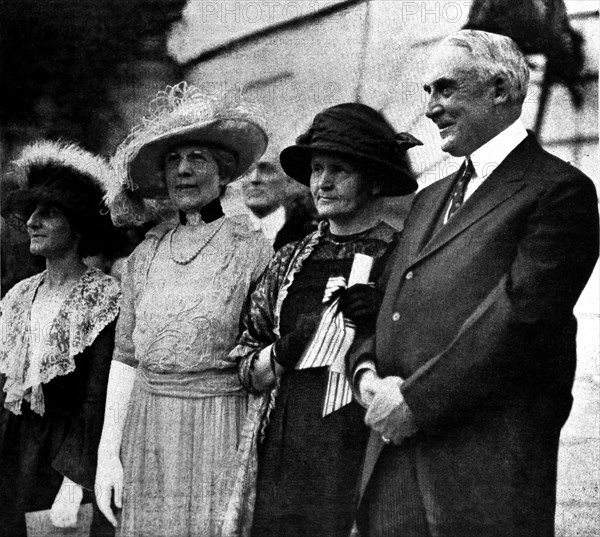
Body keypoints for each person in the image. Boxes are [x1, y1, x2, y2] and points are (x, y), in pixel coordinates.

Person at [352, 30, 599, 537]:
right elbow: (385, 301)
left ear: (501, 90)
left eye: (445, 89)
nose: (431, 108)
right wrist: (365, 371)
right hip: (394, 456)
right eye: (427, 93)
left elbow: (521, 318)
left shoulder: (559, 191)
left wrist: (417, 403)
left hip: (483, 463)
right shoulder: (429, 197)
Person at [229, 103, 421, 537]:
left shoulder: (405, 259)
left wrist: (387, 321)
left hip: (366, 447)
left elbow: (423, 361)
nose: (324, 182)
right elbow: (244, 366)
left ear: (374, 179)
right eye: (317, 169)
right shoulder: (289, 260)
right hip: (287, 450)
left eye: (340, 170)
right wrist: (284, 349)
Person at [95, 82, 272, 537]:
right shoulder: (145, 255)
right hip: (147, 427)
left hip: (221, 426)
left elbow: (265, 355)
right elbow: (124, 357)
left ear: (225, 171)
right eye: (173, 159)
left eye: (198, 158)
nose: (184, 170)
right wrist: (106, 454)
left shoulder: (252, 249)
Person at [0, 141, 120, 537]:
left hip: (64, 460)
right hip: (13, 451)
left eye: (48, 212)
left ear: (78, 224)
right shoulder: (18, 295)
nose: (33, 221)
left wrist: (75, 484)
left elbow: (96, 398)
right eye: (31, 212)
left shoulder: (103, 297)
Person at [242, 146, 317, 250]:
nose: (254, 179)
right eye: (247, 171)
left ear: (288, 181)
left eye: (266, 170)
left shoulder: (309, 234)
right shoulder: (226, 234)